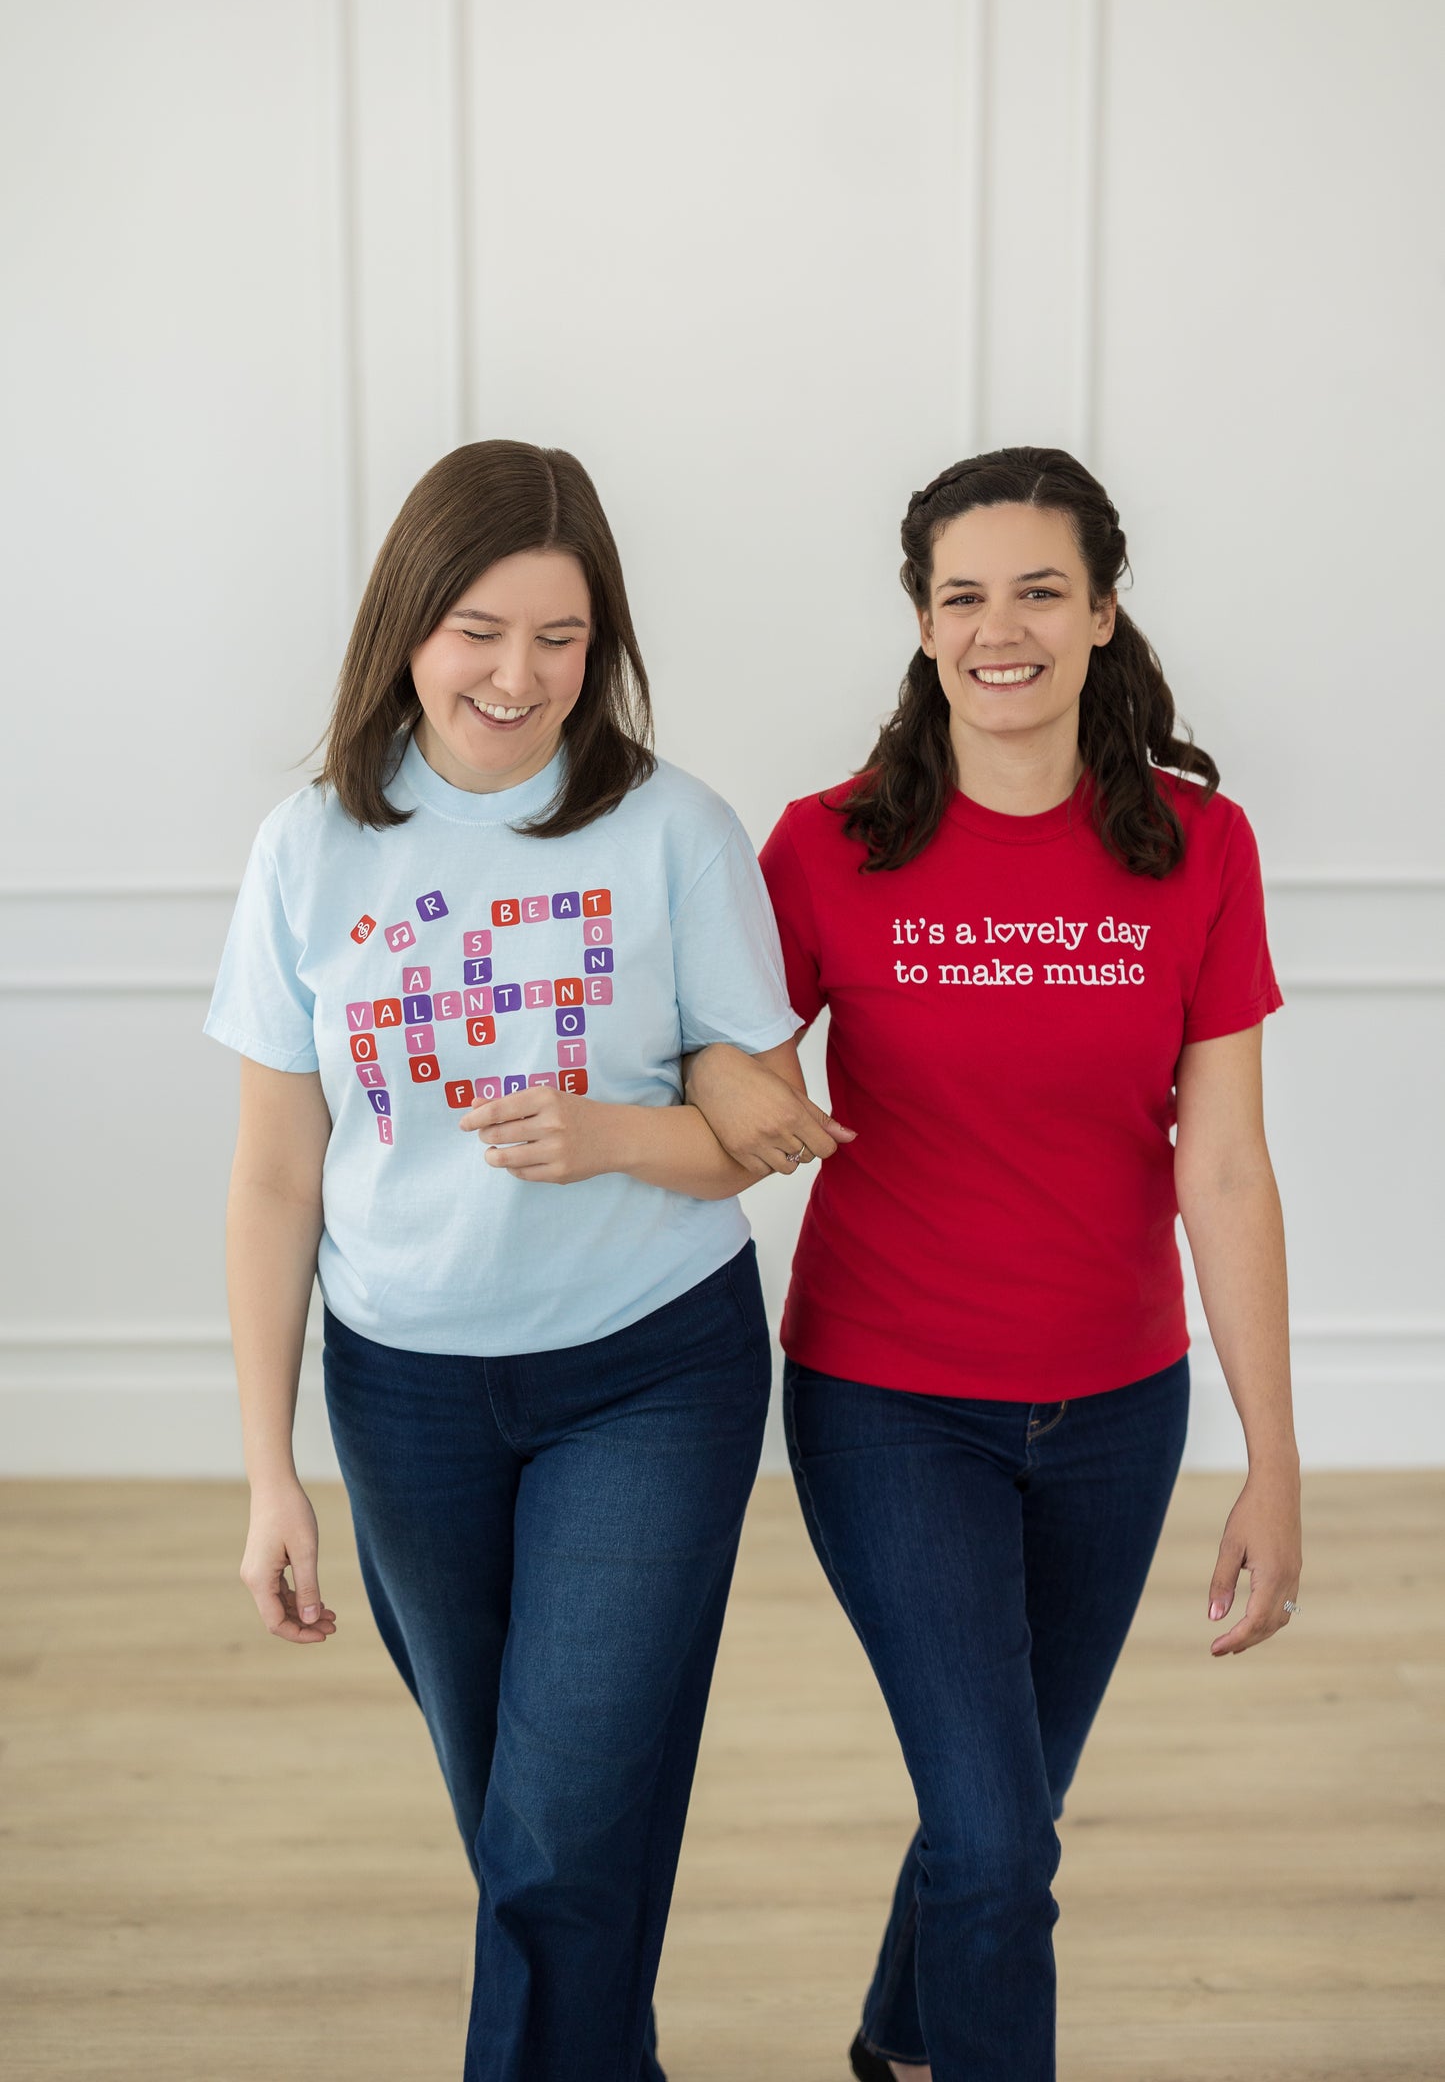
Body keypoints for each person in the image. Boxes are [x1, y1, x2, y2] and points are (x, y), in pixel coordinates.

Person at [201, 439, 833, 2082]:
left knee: (559, 1833)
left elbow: (763, 1124)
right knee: (531, 1822)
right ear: (407, 621)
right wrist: (271, 1473)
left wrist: (618, 1130)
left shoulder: (673, 831)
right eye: (480, 627)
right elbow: (276, 1181)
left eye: (560, 635)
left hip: (647, 1371)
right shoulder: (311, 849)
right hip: (401, 1396)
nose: (519, 674)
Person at [683, 447, 1304, 2082]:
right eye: (963, 595)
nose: (999, 627)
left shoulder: (1198, 846)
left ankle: (896, 2046)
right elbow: (718, 1059)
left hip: (1116, 1406)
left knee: (1003, 1811)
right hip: (888, 1402)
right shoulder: (827, 849)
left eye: (1039, 590)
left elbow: (1223, 1165)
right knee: (997, 1835)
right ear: (920, 621)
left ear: (1102, 614)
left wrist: (1273, 1461)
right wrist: (754, 1094)